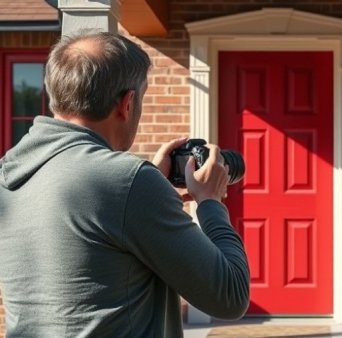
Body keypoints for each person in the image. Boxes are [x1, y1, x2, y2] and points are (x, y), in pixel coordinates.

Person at [0, 31, 250, 337]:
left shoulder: (9, 173)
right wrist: (211, 202)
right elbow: (230, 296)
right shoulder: (127, 182)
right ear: (127, 103)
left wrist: (148, 184)